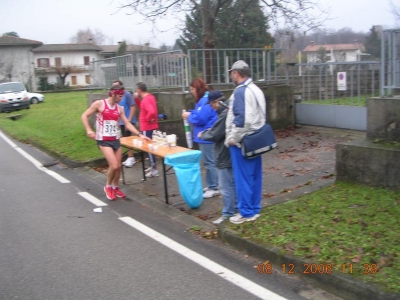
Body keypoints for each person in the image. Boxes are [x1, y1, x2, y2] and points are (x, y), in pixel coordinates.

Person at [81, 84, 150, 200]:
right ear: (113, 93)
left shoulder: (119, 108)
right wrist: (88, 130)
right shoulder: (99, 104)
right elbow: (84, 115)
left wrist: (140, 134)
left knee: (118, 167)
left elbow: (127, 123)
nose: (121, 98)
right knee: (114, 165)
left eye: (122, 96)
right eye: (119, 96)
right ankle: (107, 186)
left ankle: (115, 187)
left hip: (115, 139)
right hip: (103, 140)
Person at [225, 60, 266, 224]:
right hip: (257, 138)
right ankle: (254, 208)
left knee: (242, 178)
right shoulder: (256, 89)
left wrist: (233, 139)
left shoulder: (241, 91)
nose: (231, 76)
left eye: (231, 73)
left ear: (236, 73)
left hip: (243, 141)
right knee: (255, 176)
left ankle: (246, 212)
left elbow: (242, 120)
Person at [198, 90, 237, 224]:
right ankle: (235, 210)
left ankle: (227, 214)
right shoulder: (229, 109)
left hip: (224, 154)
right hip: (231, 152)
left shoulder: (225, 113)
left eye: (211, 104)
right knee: (232, 183)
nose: (211, 107)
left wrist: (203, 135)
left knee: (225, 186)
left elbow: (216, 134)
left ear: (216, 102)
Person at [182, 78, 219, 199]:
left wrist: (189, 116)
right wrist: (191, 114)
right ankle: (211, 185)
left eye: (193, 89)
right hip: (203, 136)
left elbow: (200, 119)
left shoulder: (206, 101)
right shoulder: (203, 100)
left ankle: (214, 187)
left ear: (198, 89)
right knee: (208, 162)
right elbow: (198, 114)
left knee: (209, 162)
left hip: (206, 136)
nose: (192, 92)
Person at [136, 82, 159, 178]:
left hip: (147, 127)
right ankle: (152, 165)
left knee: (149, 148)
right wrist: (136, 99)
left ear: (139, 90)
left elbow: (151, 111)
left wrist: (148, 119)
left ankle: (154, 169)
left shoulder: (146, 100)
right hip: (151, 126)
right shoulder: (150, 97)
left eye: (137, 89)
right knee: (150, 147)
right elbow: (142, 107)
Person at [112, 80, 137, 168]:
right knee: (125, 140)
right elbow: (117, 109)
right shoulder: (116, 97)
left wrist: (129, 120)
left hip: (128, 121)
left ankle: (131, 157)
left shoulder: (127, 94)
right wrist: (118, 121)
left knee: (128, 139)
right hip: (122, 121)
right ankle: (130, 156)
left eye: (117, 86)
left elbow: (133, 107)